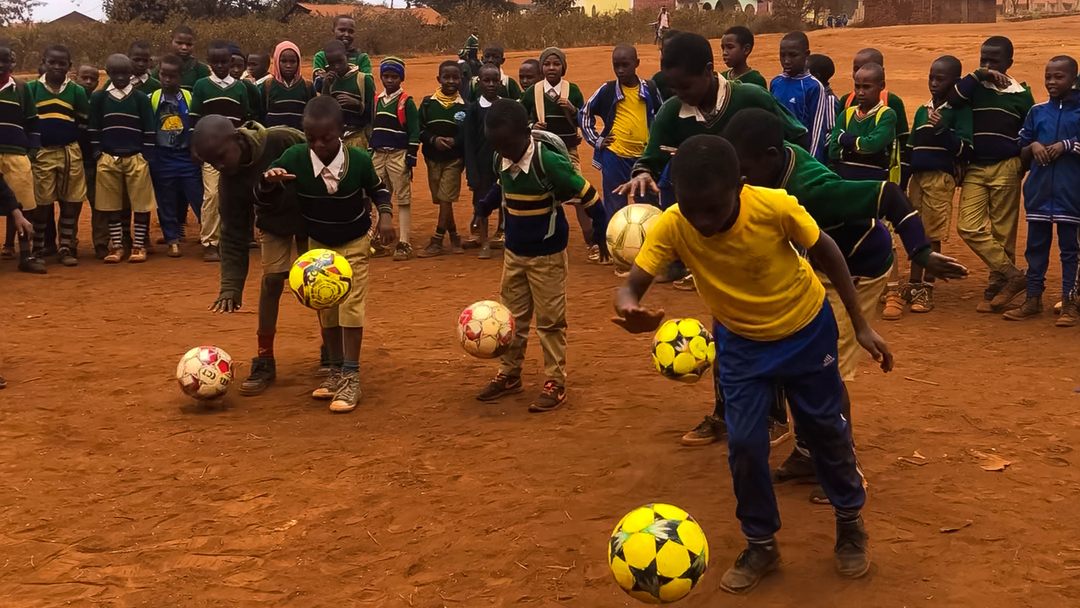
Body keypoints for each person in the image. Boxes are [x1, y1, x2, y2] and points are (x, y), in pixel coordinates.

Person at [614, 133, 883, 593]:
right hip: (741, 343)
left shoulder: (774, 206)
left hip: (805, 329)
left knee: (825, 430)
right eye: (692, 210)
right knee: (744, 444)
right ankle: (760, 543)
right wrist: (628, 308)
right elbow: (631, 284)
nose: (703, 222)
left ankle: (849, 521)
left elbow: (827, 252)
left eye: (713, 210)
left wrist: (860, 325)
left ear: (739, 186)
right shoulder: (674, 223)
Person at [717, 109, 967, 502]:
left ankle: (843, 466)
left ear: (770, 156)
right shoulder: (777, 162)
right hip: (818, 269)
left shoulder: (813, 190)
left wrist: (920, 251)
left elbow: (889, 194)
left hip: (860, 271)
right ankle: (808, 453)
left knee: (826, 370)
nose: (742, 181)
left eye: (745, 171)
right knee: (797, 359)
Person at [257, 97, 395, 413]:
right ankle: (335, 369)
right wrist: (269, 181)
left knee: (351, 306)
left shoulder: (358, 160)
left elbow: (378, 189)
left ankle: (351, 376)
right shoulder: (295, 157)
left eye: (327, 138)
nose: (319, 145)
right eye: (311, 138)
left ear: (342, 132)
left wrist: (385, 216)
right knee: (327, 307)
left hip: (354, 242)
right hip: (319, 246)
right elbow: (263, 190)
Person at [473, 99, 607, 413]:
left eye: (507, 145)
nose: (503, 151)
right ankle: (510, 373)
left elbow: (589, 195)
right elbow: (501, 186)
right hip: (514, 254)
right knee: (511, 318)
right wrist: (483, 207)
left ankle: (555, 381)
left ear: (526, 132)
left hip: (547, 256)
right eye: (496, 146)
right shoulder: (501, 158)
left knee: (550, 321)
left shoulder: (548, 162)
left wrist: (600, 233)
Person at [617, 33, 808, 214]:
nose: (679, 94)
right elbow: (651, 158)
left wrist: (787, 186)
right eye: (673, 88)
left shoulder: (752, 97)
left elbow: (797, 135)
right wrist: (643, 174)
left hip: (760, 208)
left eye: (685, 86)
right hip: (705, 214)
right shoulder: (671, 112)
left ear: (708, 70)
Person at [194, 115, 308, 396]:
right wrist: (230, 286)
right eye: (211, 163)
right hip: (274, 222)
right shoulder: (229, 181)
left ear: (236, 137)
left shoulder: (282, 139)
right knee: (271, 281)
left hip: (313, 217)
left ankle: (333, 353)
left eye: (221, 156)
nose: (219, 166)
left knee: (318, 281)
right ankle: (264, 359)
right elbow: (233, 233)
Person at [948, 36, 1035, 313]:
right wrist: (978, 75)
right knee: (967, 226)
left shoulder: (1021, 95)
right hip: (975, 167)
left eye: (994, 61)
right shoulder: (973, 87)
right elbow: (952, 98)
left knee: (1003, 231)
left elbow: (1029, 132)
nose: (988, 65)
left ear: (1009, 62)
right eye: (983, 59)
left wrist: (1020, 164)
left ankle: (997, 285)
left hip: (1007, 166)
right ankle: (1013, 275)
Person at [1005, 56, 1080, 326]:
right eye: (1048, 76)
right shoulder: (1037, 111)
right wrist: (1034, 145)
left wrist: (1066, 145)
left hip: (1071, 193)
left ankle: (1070, 303)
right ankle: (1033, 299)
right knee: (1035, 249)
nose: (1051, 82)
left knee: (1070, 251)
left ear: (1074, 79)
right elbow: (1021, 142)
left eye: (1059, 77)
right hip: (1038, 192)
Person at [906, 55, 972, 313]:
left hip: (939, 179)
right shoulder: (922, 110)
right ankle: (914, 283)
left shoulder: (959, 112)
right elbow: (910, 147)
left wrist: (944, 130)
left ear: (955, 82)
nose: (933, 83)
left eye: (940, 79)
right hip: (918, 178)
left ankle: (927, 287)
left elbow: (966, 149)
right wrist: (902, 180)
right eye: (931, 78)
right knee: (914, 230)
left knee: (931, 234)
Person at [520, 48, 593, 261]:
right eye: (547, 64)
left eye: (556, 64)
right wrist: (532, 125)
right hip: (541, 152)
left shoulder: (573, 91)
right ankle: (540, 241)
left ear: (563, 67)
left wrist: (573, 109)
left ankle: (592, 241)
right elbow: (520, 118)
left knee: (579, 194)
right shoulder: (533, 92)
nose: (551, 68)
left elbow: (585, 119)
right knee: (542, 196)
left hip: (568, 151)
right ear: (541, 68)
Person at [190, 40, 259, 263]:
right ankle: (210, 242)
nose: (220, 66)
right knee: (212, 195)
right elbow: (193, 118)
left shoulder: (240, 88)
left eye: (224, 62)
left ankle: (235, 238)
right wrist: (194, 147)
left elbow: (246, 119)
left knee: (238, 194)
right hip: (211, 153)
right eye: (215, 62)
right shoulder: (201, 85)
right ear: (209, 63)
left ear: (231, 62)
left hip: (234, 153)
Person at [580, 45, 662, 224]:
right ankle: (614, 239)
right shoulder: (607, 90)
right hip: (614, 157)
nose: (620, 70)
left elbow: (661, 115)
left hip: (643, 159)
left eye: (625, 65)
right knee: (615, 207)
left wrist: (656, 146)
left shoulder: (649, 88)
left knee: (648, 206)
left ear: (636, 63)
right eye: (616, 65)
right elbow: (585, 113)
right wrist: (597, 140)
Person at [87, 53, 156, 264]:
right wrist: (97, 152)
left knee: (141, 204)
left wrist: (146, 155)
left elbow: (149, 128)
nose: (120, 77)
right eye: (115, 73)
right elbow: (94, 127)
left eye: (124, 73)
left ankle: (139, 245)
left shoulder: (140, 98)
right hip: (108, 158)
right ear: (107, 73)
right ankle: (117, 246)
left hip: (136, 157)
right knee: (111, 205)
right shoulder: (99, 98)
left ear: (131, 73)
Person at [27, 44, 89, 268]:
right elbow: (28, 121)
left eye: (62, 63)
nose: (56, 67)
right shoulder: (32, 89)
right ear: (43, 63)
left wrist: (71, 141)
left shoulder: (77, 91)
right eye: (51, 62)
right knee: (41, 203)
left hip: (69, 151)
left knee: (70, 200)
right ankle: (38, 248)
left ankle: (66, 247)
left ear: (69, 66)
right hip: (42, 153)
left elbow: (83, 122)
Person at [149, 54, 203, 258]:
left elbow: (197, 125)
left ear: (181, 77)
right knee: (166, 199)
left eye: (172, 76)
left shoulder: (189, 98)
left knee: (198, 197)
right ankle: (172, 239)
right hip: (162, 157)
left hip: (186, 156)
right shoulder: (152, 99)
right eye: (163, 75)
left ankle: (210, 236)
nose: (167, 80)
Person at [368, 56, 419, 261]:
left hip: (398, 154)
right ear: (381, 77)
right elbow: (372, 127)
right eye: (386, 76)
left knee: (403, 198)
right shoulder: (376, 101)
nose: (390, 80)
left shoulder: (406, 102)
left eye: (394, 77)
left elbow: (414, 131)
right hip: (379, 154)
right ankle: (379, 239)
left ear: (401, 78)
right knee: (379, 196)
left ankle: (404, 242)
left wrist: (411, 156)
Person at [0, 41, 43, 273]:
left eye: (4, 61)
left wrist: (32, 150)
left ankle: (26, 255)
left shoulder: (21, 88)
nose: (0, 65)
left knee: (24, 204)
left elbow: (33, 121)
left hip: (17, 154)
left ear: (12, 63)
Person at [417, 60, 466, 259]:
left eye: (455, 77)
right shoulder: (428, 104)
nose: (451, 81)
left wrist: (456, 141)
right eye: (447, 77)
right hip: (432, 158)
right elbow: (419, 129)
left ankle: (437, 240)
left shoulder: (465, 107)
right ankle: (454, 235)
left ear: (461, 80)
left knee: (446, 197)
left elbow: (468, 133)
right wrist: (433, 140)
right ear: (439, 79)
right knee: (442, 198)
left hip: (454, 159)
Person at [461, 63, 503, 258]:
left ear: (501, 83)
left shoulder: (506, 107)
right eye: (487, 80)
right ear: (479, 83)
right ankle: (484, 241)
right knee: (482, 203)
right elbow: (469, 143)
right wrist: (472, 172)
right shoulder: (473, 110)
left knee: (506, 202)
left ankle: (506, 237)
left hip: (504, 164)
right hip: (482, 166)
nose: (491, 84)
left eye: (495, 80)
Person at [828, 63, 896, 182]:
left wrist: (846, 141)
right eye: (857, 86)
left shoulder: (887, 114)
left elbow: (873, 145)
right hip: (845, 182)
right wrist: (863, 148)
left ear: (882, 86)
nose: (860, 92)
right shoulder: (847, 113)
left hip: (873, 183)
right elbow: (833, 151)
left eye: (866, 87)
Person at [770, 31, 830, 161]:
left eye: (793, 55)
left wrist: (812, 162)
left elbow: (818, 129)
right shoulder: (776, 82)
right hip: (779, 154)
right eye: (782, 55)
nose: (786, 61)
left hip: (801, 155)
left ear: (806, 55)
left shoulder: (814, 86)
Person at [76, 64, 114, 260]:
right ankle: (67, 244)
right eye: (84, 78)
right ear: (76, 77)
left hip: (95, 160)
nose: (88, 82)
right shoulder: (71, 99)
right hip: (74, 161)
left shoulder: (99, 102)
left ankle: (101, 244)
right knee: (71, 205)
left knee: (99, 205)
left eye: (93, 79)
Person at [320, 40, 376, 152]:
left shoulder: (363, 80)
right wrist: (326, 86)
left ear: (346, 56)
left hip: (359, 137)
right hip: (336, 139)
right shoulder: (330, 82)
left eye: (340, 61)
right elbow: (323, 111)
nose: (337, 66)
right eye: (332, 63)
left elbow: (373, 113)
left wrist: (357, 104)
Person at [262, 41, 314, 131]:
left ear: (298, 62)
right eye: (283, 61)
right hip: (273, 135)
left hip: (299, 136)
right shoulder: (268, 85)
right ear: (276, 61)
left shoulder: (307, 86)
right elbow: (261, 112)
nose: (288, 65)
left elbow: (311, 114)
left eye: (293, 61)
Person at [151, 25, 210, 91]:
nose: (184, 47)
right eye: (179, 43)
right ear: (171, 42)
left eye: (189, 44)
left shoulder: (201, 69)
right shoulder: (161, 67)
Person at [312, 15, 372, 79]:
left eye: (351, 31)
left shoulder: (361, 57)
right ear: (333, 31)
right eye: (342, 30)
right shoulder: (321, 56)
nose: (346, 34)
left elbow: (368, 82)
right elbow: (317, 81)